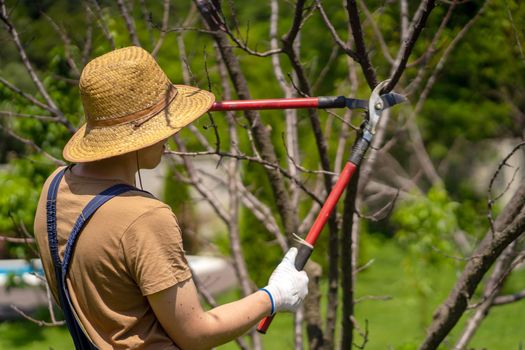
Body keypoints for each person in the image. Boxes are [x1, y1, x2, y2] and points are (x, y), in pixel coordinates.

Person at [33, 46, 309, 349]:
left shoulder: (54, 188)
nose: (171, 133)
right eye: (166, 124)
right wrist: (273, 296)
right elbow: (196, 333)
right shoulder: (143, 217)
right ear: (140, 135)